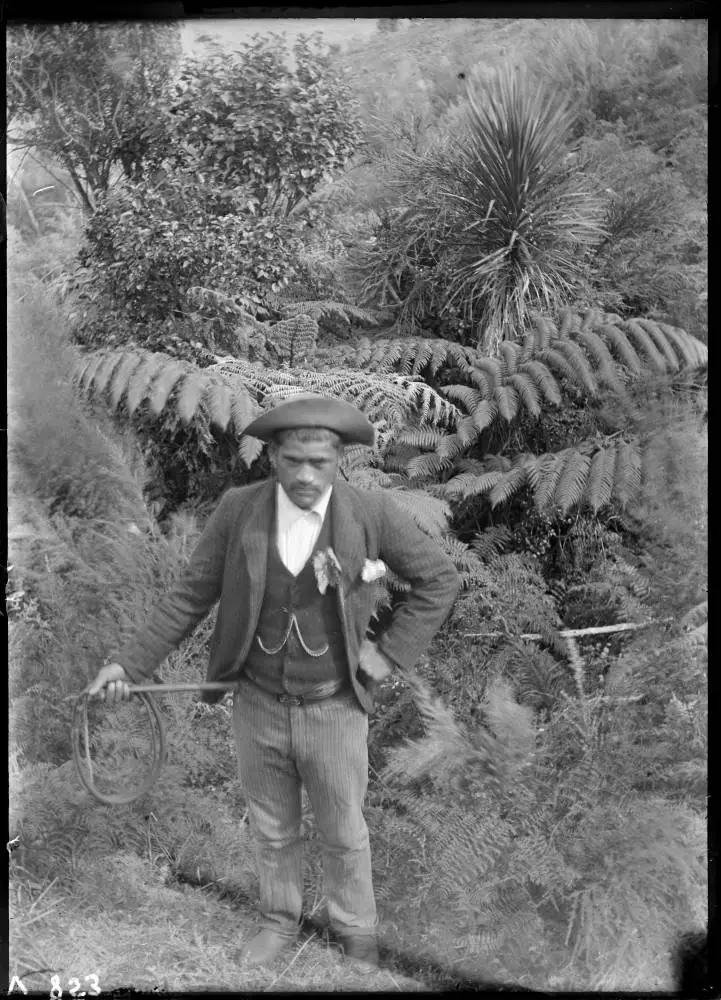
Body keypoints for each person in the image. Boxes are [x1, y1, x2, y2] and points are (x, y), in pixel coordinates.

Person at [89, 393, 461, 970]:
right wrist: (129, 666)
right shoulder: (240, 511)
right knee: (273, 828)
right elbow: (189, 596)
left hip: (334, 706)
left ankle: (356, 930)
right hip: (257, 704)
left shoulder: (371, 513)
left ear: (340, 461)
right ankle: (278, 923)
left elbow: (439, 580)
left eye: (320, 463)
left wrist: (390, 654)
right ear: (273, 459)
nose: (307, 475)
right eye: (294, 462)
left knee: (343, 830)